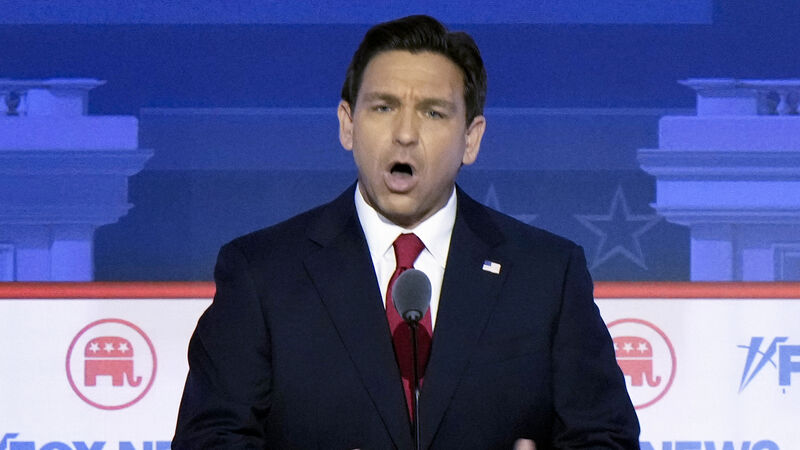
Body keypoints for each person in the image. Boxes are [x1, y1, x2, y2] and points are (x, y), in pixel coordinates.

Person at [173, 15, 639, 449]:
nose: (405, 134)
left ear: (471, 138)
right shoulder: (262, 273)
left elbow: (606, 438)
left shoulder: (546, 274)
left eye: (433, 113)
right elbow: (210, 439)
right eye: (383, 107)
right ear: (348, 125)